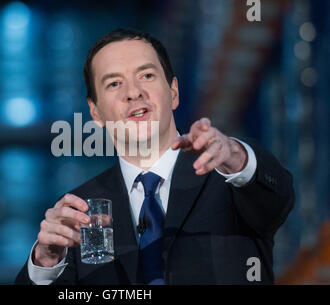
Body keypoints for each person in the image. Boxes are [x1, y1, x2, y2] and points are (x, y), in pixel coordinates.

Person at [15, 28, 294, 285]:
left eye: (146, 75)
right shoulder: (79, 212)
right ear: (95, 112)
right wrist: (45, 262)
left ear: (173, 92)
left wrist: (234, 154)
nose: (133, 92)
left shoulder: (230, 177)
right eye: (114, 83)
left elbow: (279, 196)